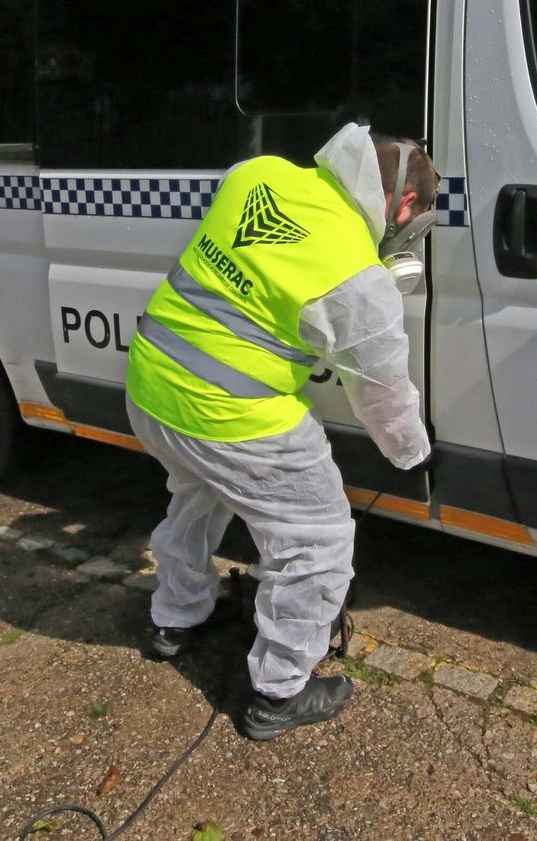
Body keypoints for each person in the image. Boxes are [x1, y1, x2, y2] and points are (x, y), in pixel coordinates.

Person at [124, 122, 437, 740]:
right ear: (402, 205)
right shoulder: (356, 276)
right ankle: (278, 693)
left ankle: (175, 620)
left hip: (152, 384)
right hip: (230, 412)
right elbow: (383, 397)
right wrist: (413, 455)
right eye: (416, 218)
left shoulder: (260, 174)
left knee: (197, 498)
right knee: (315, 540)